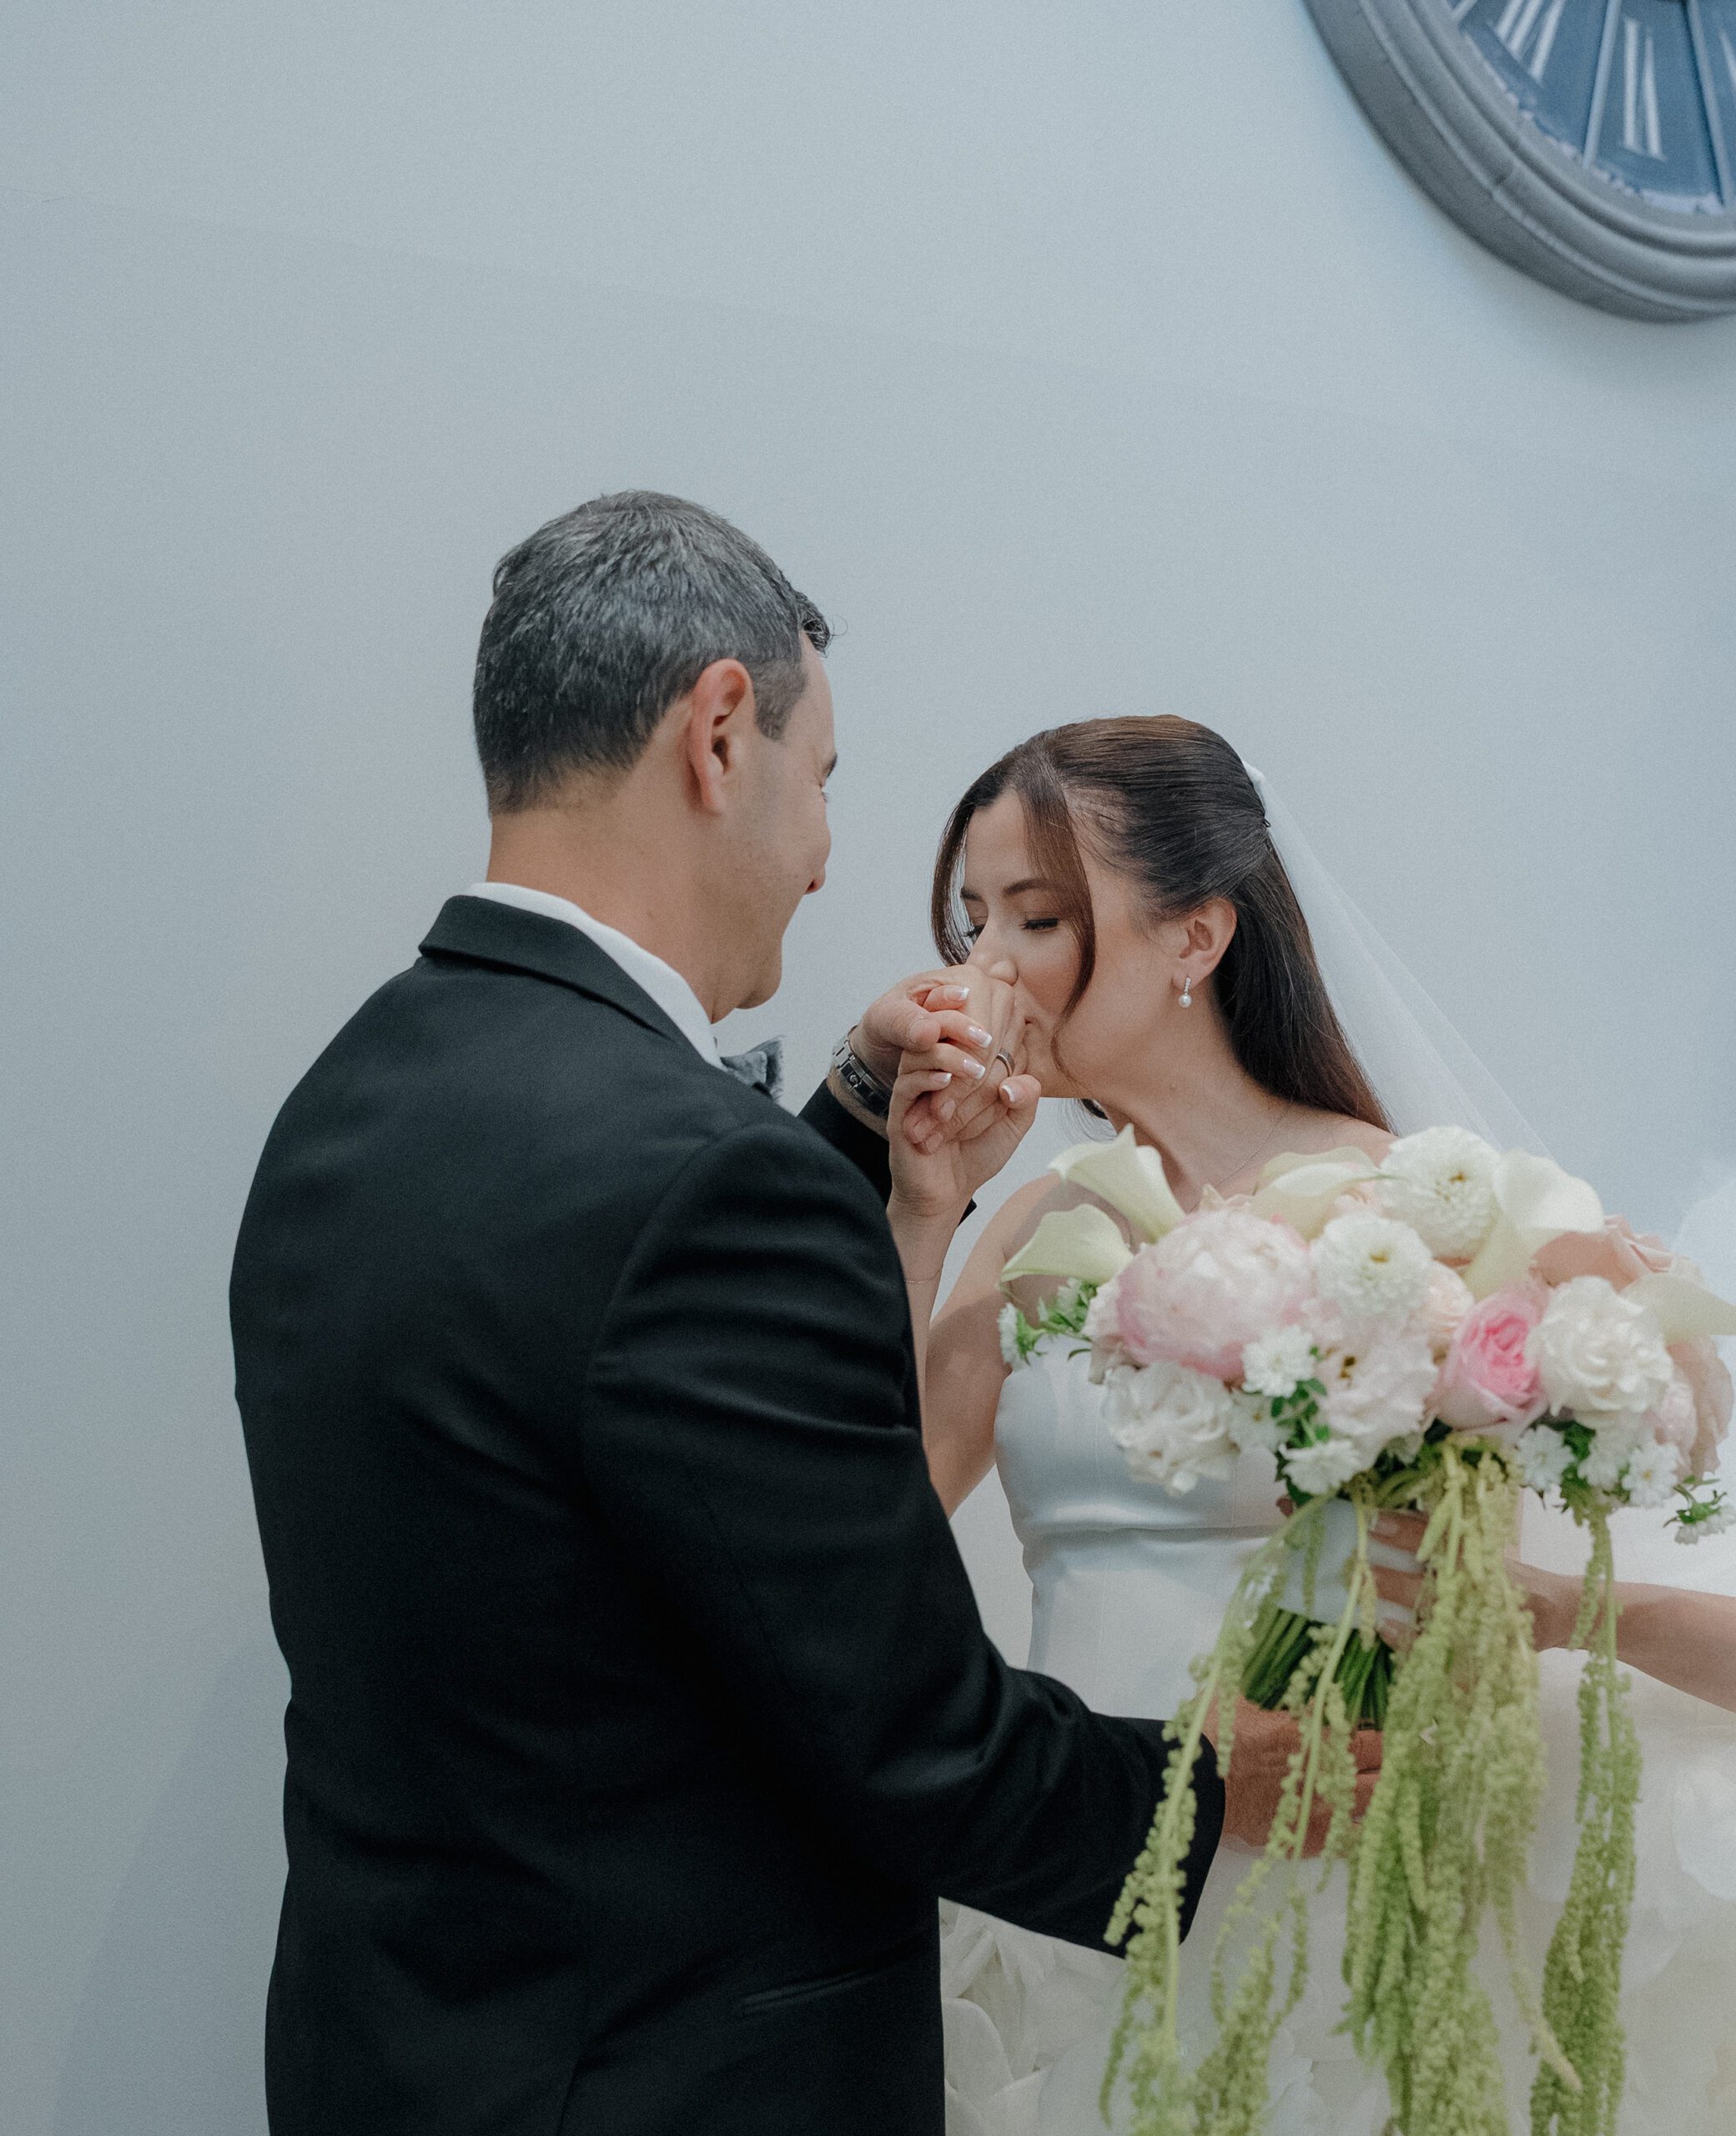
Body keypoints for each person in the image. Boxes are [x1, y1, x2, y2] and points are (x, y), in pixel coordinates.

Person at [228, 495, 1318, 2136]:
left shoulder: (350, 1100)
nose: (821, 858)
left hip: (396, 2051)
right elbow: (914, 1742)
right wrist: (1225, 1789)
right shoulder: (699, 1185)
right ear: (719, 733)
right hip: (661, 2075)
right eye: (823, 781)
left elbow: (614, 1367)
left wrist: (854, 1120)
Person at [888, 714, 1736, 2134]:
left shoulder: (1427, 1211)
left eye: (1035, 917)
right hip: (1081, 1873)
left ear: (1195, 937)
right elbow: (869, 1522)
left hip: (1335, 1880)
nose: (986, 970)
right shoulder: (1034, 1223)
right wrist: (926, 1210)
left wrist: (1521, 1601)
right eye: (971, 922)